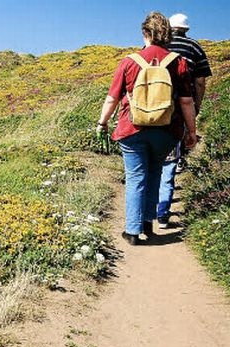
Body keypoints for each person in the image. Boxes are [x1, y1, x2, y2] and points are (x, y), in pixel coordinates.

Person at [96, 11, 198, 245]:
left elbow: (112, 98)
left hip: (132, 129)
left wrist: (102, 123)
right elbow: (185, 101)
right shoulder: (178, 62)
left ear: (145, 33)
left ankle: (132, 231)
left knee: (135, 177)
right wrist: (191, 132)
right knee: (155, 173)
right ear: (168, 35)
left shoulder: (129, 61)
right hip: (166, 130)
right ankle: (148, 223)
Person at [156, 13, 212, 228]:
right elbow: (200, 83)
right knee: (173, 150)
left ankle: (150, 208)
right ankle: (163, 211)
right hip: (182, 104)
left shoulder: (160, 45)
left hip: (156, 106)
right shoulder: (195, 48)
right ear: (186, 29)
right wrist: (197, 106)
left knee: (156, 157)